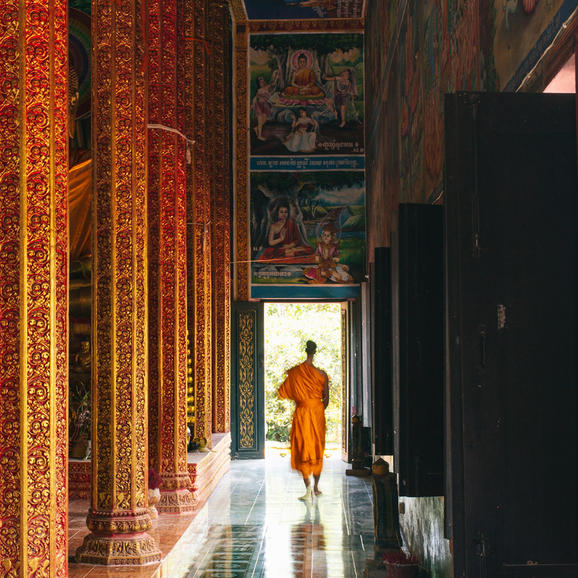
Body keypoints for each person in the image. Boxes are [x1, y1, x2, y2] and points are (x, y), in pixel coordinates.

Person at [278, 340, 329, 501]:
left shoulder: (295, 372)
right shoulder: (321, 374)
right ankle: (315, 487)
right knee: (317, 447)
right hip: (317, 413)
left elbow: (283, 391)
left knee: (303, 447)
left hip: (302, 413)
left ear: (306, 351)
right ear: (315, 352)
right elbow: (326, 399)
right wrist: (317, 408)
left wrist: (302, 402)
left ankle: (308, 488)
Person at [251, 73, 277, 141]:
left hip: (265, 105)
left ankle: (256, 128)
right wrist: (252, 105)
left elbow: (273, 84)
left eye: (262, 80)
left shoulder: (266, 87)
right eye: (260, 81)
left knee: (265, 120)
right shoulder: (260, 90)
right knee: (260, 121)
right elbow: (255, 98)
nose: (262, 82)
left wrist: (276, 77)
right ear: (258, 83)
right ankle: (259, 136)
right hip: (259, 105)